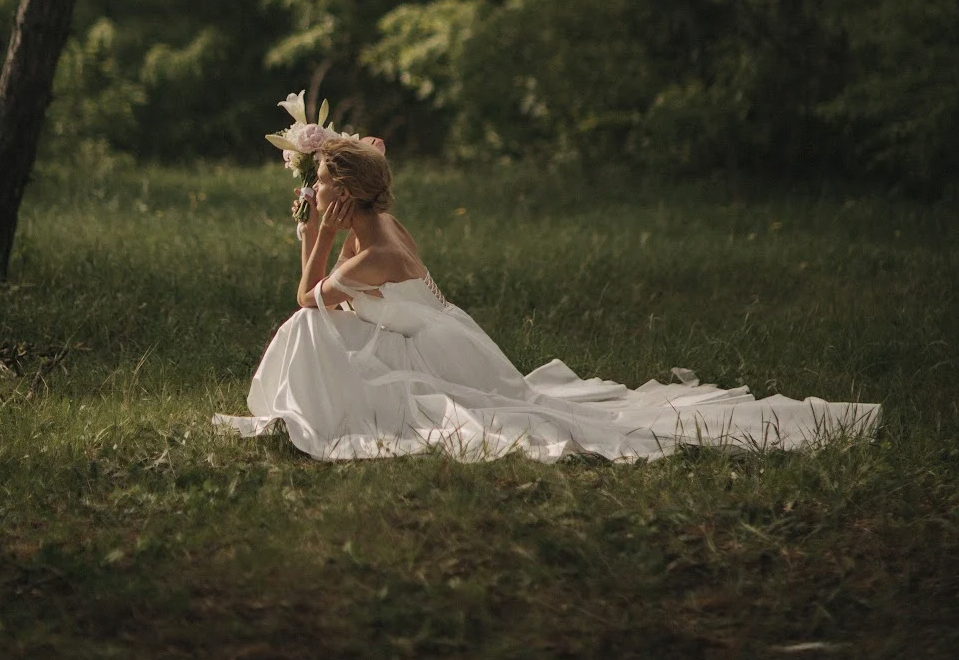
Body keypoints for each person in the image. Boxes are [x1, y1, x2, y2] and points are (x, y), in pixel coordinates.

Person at [213, 138, 880, 462]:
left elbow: (306, 299)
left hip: (441, 350)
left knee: (307, 330)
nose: (317, 194)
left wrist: (314, 236)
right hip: (436, 332)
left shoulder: (370, 250)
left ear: (346, 196)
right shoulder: (381, 224)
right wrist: (323, 230)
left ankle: (314, 409)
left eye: (324, 185)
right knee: (324, 331)